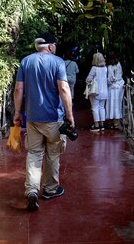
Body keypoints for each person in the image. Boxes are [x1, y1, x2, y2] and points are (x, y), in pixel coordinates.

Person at [13, 32, 75, 211]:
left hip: (32, 118)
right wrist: (69, 115)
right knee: (53, 154)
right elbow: (63, 88)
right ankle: (50, 189)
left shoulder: (26, 61)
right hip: (54, 118)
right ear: (50, 46)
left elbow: (18, 89)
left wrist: (18, 112)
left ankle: (32, 190)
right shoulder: (57, 62)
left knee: (34, 154)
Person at [84, 52, 108, 132]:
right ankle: (102, 124)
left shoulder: (94, 68)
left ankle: (96, 125)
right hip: (104, 91)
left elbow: (88, 79)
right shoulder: (105, 68)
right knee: (102, 107)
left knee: (95, 108)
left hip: (95, 91)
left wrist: (87, 81)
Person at [105, 52, 125, 130]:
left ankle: (112, 121)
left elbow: (110, 78)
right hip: (119, 85)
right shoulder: (119, 64)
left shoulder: (109, 66)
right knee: (118, 103)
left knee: (111, 104)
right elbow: (121, 73)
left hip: (112, 87)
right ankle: (116, 122)